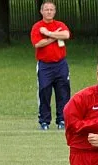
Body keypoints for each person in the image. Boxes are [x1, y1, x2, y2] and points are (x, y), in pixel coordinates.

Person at [30, 0, 71, 130]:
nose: (49, 12)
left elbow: (66, 34)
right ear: (41, 11)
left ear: (54, 11)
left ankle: (62, 120)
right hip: (45, 66)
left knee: (63, 92)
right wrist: (54, 37)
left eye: (51, 9)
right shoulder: (37, 26)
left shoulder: (60, 24)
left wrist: (48, 34)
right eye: (46, 9)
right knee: (44, 91)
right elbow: (38, 43)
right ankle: (44, 121)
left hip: (61, 64)